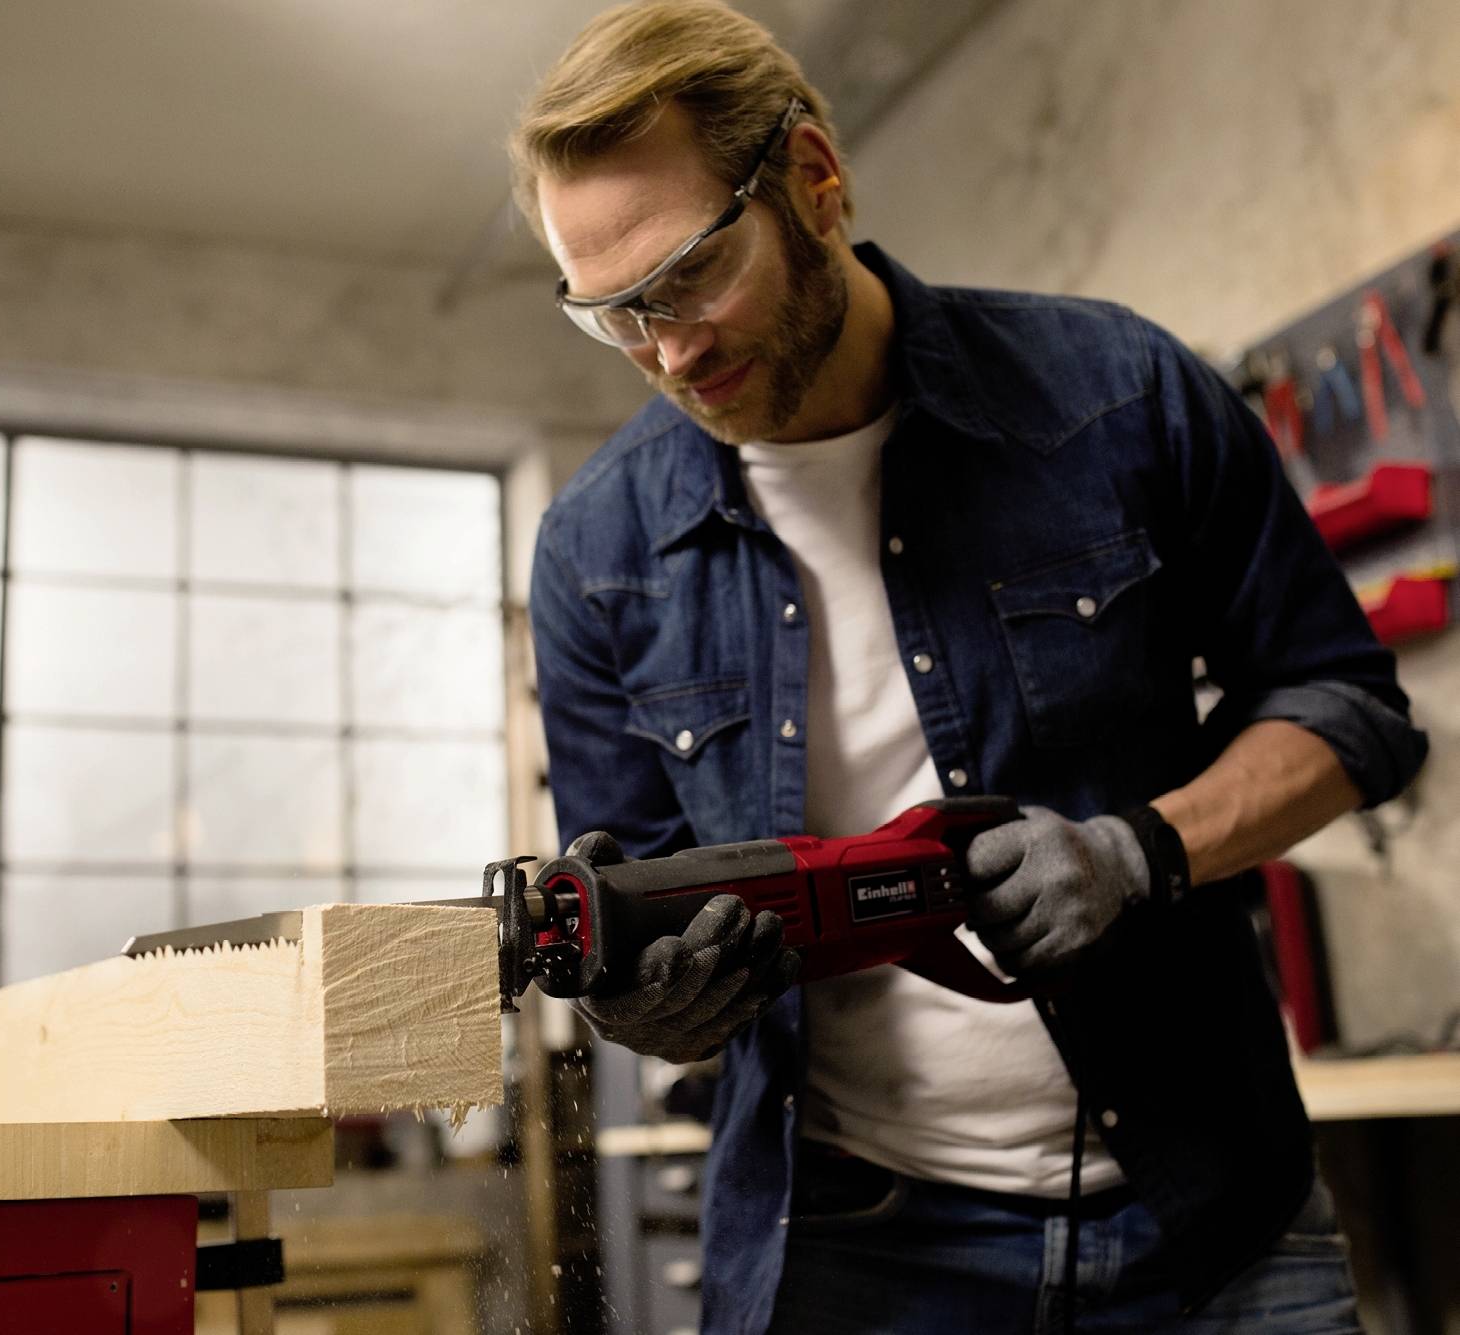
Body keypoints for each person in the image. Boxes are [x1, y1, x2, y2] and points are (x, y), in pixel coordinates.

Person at [511, 3, 1427, 1333]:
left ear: (815, 179)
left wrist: (1138, 852)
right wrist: (655, 1004)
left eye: (693, 274)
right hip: (857, 1252)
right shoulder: (596, 551)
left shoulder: (1119, 396)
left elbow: (1351, 709)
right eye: (615, 316)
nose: (670, 351)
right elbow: (631, 890)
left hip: (1209, 1212)